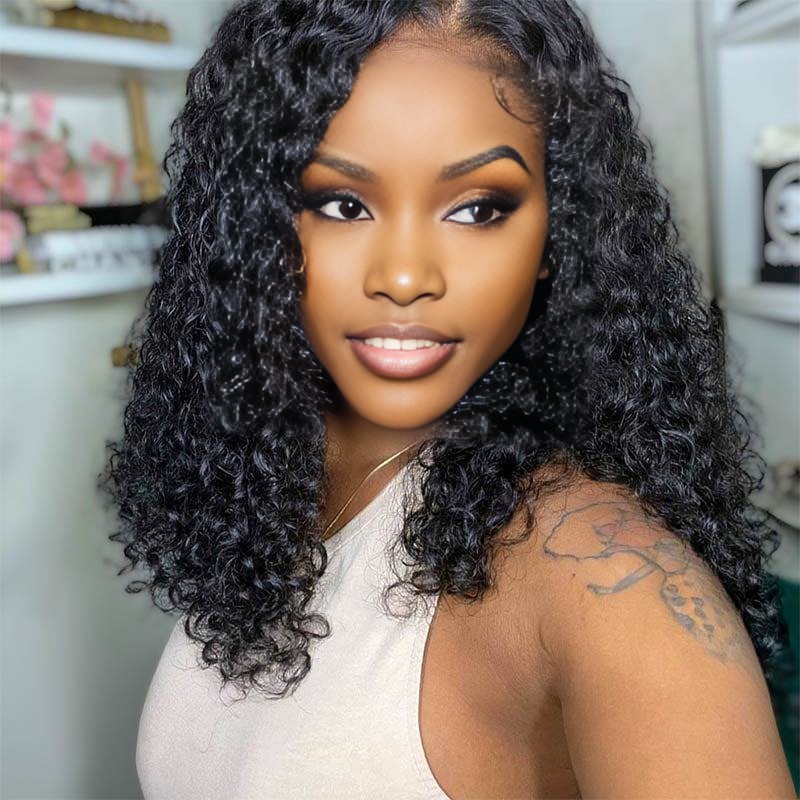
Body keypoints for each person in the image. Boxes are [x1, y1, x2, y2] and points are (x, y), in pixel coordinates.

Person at [101, 1, 797, 797]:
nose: (404, 277)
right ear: (256, 226)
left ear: (558, 232)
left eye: (477, 209)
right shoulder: (278, 490)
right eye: (341, 203)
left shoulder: (613, 589)